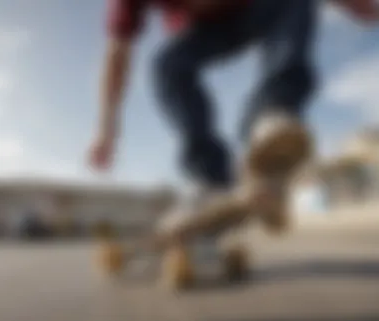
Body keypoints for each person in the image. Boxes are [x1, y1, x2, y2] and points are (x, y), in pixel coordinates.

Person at [88, 0, 379, 231]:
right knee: (166, 67)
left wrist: (356, 5)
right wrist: (106, 130)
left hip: (257, 7)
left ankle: (270, 119)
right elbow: (117, 54)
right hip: (201, 32)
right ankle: (211, 179)